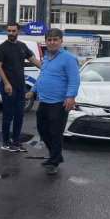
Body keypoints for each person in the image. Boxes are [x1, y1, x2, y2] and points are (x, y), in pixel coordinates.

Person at [26, 28, 79, 176]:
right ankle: (55, 155)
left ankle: (54, 162)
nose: (52, 42)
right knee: (43, 129)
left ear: (61, 41)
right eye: (49, 40)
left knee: (55, 133)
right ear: (46, 41)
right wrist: (33, 90)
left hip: (59, 102)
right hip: (44, 101)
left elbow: (74, 79)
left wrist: (71, 97)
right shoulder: (46, 58)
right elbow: (42, 76)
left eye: (55, 39)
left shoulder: (68, 58)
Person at [0, 22, 42, 152]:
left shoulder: (22, 46)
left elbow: (34, 60)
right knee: (8, 115)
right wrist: (6, 83)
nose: (11, 33)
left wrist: (49, 69)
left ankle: (16, 141)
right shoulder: (2, 48)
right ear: (6, 31)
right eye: (9, 31)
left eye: (13, 31)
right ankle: (5, 142)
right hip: (8, 87)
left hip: (21, 86)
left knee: (20, 115)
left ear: (18, 32)